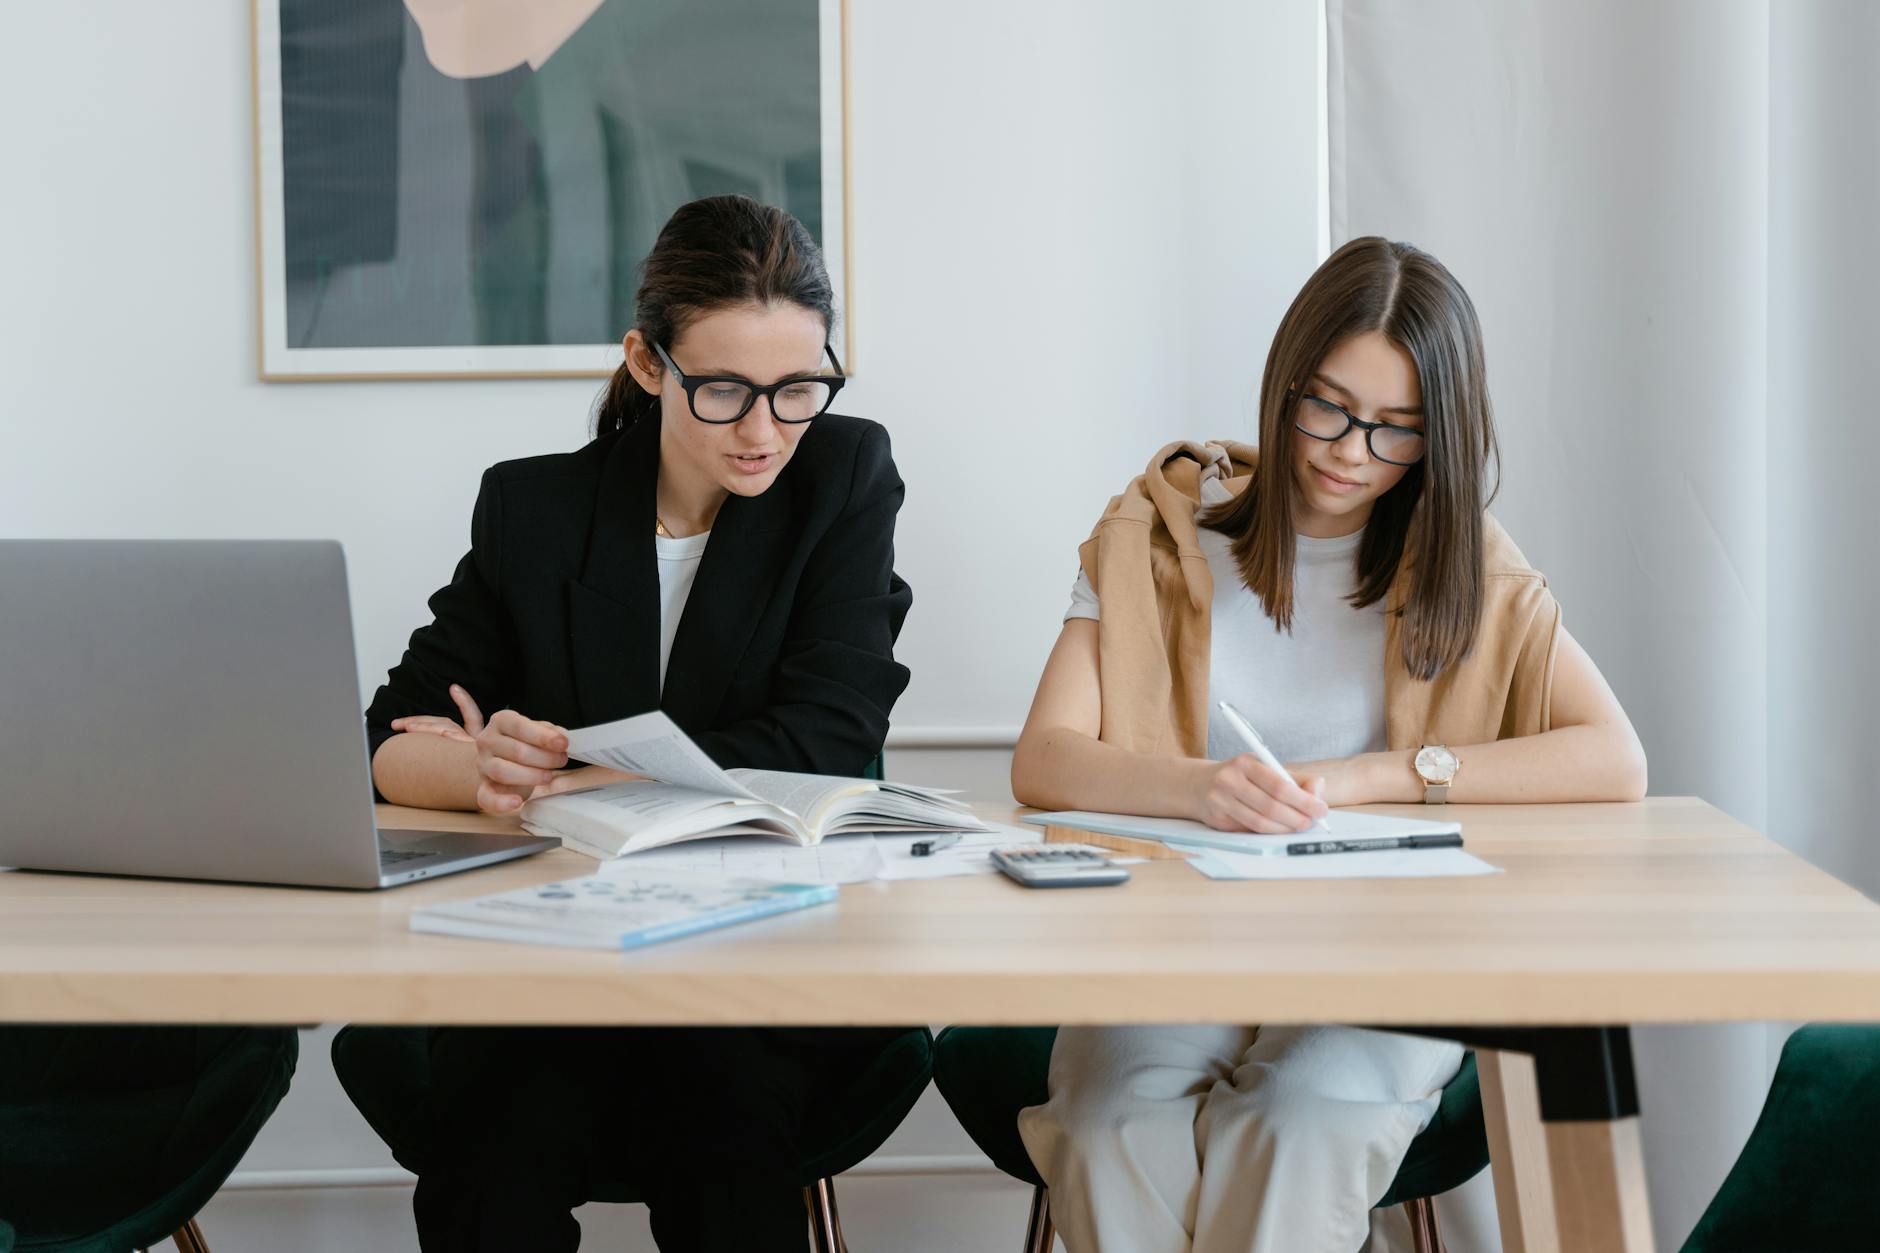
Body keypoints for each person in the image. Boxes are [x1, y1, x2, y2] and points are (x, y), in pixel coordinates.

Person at [1008, 236, 1648, 1253]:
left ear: (1438, 436)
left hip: (1391, 956)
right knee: (1104, 1122)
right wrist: (1196, 787)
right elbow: (1043, 758)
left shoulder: (1468, 564)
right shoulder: (1155, 537)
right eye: (1329, 408)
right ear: (1285, 381)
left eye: (1396, 429)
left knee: (1296, 1120)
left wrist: (1377, 776)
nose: (1351, 450)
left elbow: (1613, 759)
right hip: (1174, 952)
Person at [362, 194, 912, 1251]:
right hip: (551, 953)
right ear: (649, 362)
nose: (765, 430)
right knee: (493, 1147)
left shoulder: (840, 476)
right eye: (723, 390)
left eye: (798, 387)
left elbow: (828, 738)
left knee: (726, 1127)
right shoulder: (534, 508)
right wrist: (478, 766)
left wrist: (572, 776)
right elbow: (389, 741)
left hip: (760, 944)